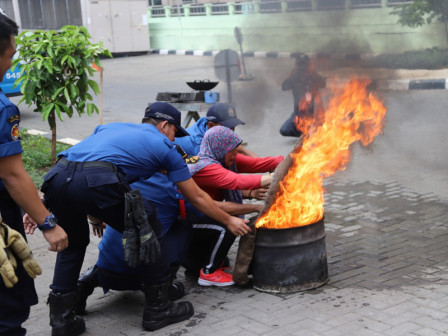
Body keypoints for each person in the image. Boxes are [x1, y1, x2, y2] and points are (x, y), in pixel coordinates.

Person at [25, 102, 250, 335]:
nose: (174, 140)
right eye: (174, 132)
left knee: (72, 244)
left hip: (58, 177)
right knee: (149, 223)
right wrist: (228, 220)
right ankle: (159, 309)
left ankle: (61, 321)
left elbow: (81, 168)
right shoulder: (164, 146)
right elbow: (197, 197)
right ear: (165, 125)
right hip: (97, 180)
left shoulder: (109, 128)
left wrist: (48, 206)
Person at [73, 150, 263, 316]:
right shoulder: (173, 190)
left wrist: (94, 220)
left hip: (106, 267)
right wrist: (252, 207)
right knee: (184, 224)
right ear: (167, 168)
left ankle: (85, 283)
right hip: (141, 275)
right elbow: (210, 206)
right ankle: (162, 292)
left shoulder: (125, 179)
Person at [0, 13, 67, 336]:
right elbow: (12, 176)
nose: (11, 64)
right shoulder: (1, 108)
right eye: (10, 55)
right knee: (9, 307)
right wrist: (47, 223)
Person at [186, 126, 283, 286]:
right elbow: (236, 182)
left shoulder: (224, 158)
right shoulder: (205, 166)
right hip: (187, 219)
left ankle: (205, 261)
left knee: (226, 227)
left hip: (203, 214)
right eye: (232, 150)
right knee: (228, 224)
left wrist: (296, 159)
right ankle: (209, 274)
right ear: (221, 148)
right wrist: (258, 206)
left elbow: (260, 163)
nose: (236, 154)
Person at [174, 102, 257, 157]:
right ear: (210, 125)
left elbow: (239, 149)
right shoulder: (199, 147)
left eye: (233, 127)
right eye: (227, 128)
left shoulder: (206, 123)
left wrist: (244, 151)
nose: (231, 133)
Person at [279, 54, 326, 137]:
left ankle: (311, 129)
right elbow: (284, 86)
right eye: (300, 65)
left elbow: (323, 84)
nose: (302, 68)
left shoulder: (313, 77)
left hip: (313, 113)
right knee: (284, 130)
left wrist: (313, 73)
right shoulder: (294, 79)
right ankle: (302, 132)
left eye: (304, 65)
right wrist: (293, 75)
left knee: (320, 132)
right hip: (298, 113)